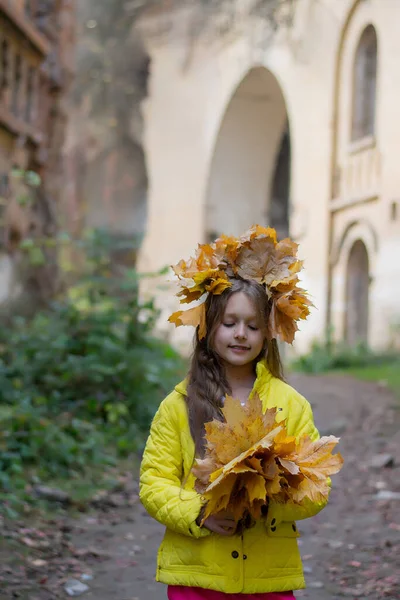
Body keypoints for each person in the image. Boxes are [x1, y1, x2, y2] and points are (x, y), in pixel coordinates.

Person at [140, 226, 329, 599]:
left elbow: (316, 487)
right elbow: (153, 482)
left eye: (253, 325)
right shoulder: (177, 406)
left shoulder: (290, 404)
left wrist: (272, 500)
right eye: (229, 323)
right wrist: (200, 514)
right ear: (208, 327)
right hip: (197, 576)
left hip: (267, 578)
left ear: (267, 333)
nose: (241, 334)